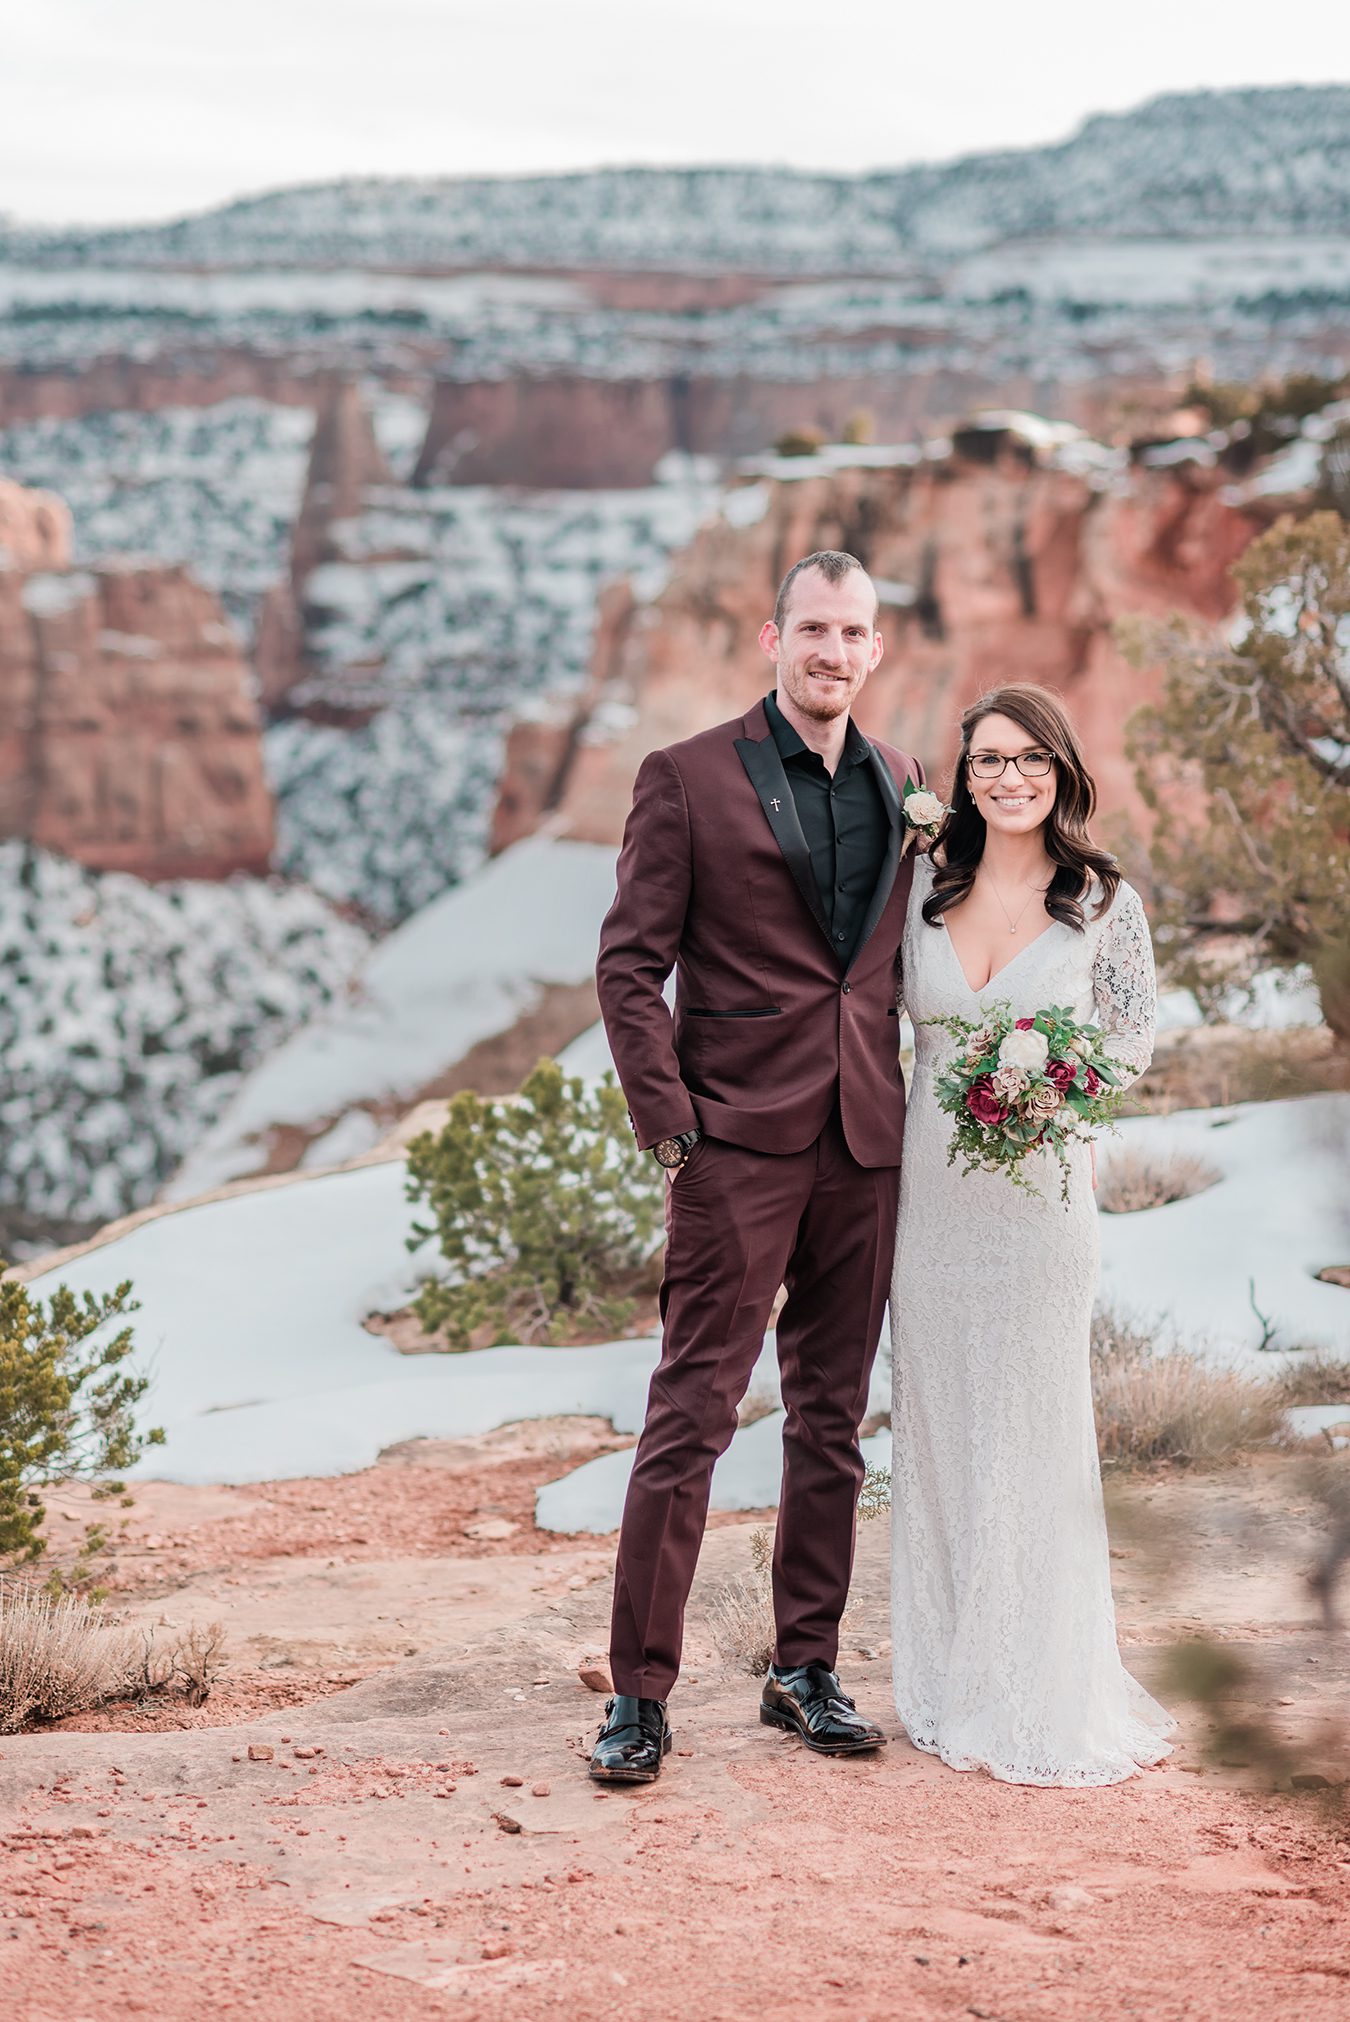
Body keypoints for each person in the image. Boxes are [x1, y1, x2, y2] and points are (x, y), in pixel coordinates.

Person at [590, 550, 925, 1782]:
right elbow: (629, 966)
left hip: (866, 1147)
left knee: (832, 1421)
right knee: (691, 1417)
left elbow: (887, 968)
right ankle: (638, 1695)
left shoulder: (905, 780)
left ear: (876, 649)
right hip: (734, 1143)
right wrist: (672, 1126)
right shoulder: (683, 779)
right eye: (814, 630)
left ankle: (806, 1668)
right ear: (770, 636)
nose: (833, 652)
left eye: (855, 633)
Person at [891, 682, 1176, 1785]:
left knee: (1033, 1439)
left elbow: (1134, 1035)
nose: (1008, 779)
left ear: (1060, 772)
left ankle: (1040, 1689)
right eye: (987, 762)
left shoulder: (1103, 900)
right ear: (961, 783)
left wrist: (1065, 1091)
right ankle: (956, 1673)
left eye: (1029, 760)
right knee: (948, 1434)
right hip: (931, 1209)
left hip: (1046, 1208)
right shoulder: (921, 886)